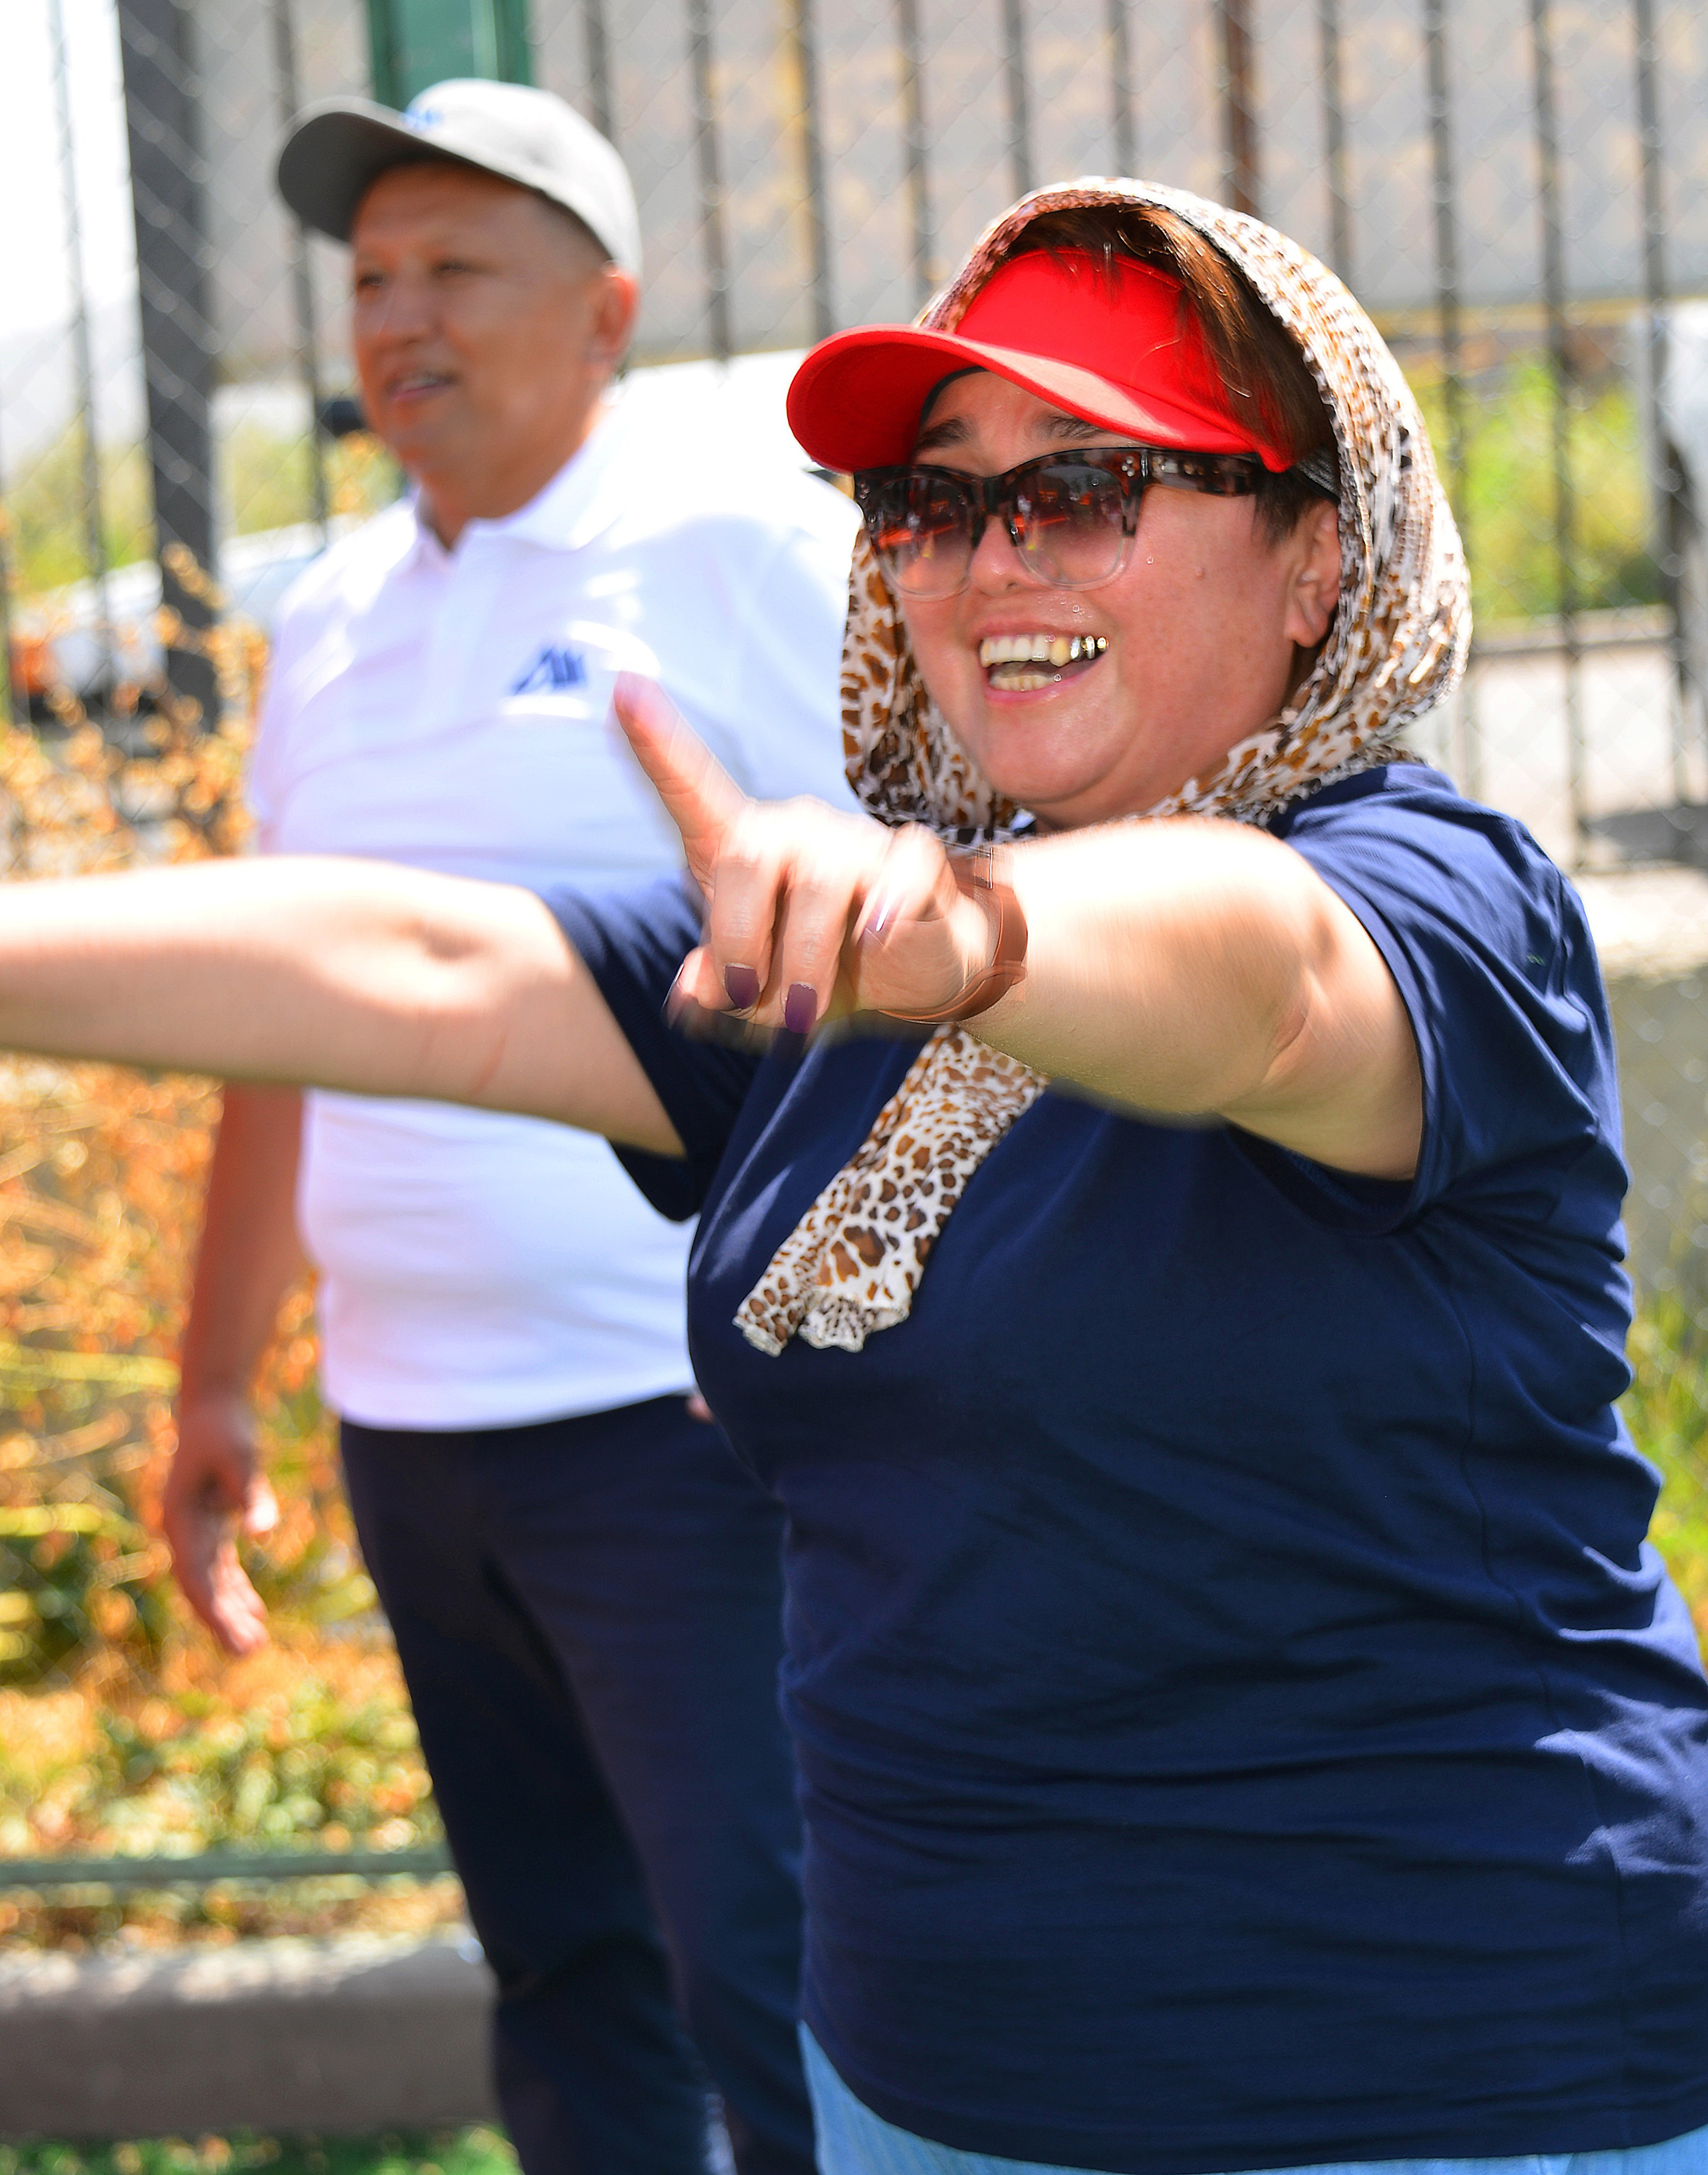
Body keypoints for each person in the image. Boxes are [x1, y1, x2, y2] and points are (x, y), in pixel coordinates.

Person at [3, 179, 1708, 2175]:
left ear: (1318, 558)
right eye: (935, 499)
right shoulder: (858, 960)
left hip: (1418, 2082)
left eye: (1090, 482)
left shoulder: (1426, 903)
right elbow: (433, 971)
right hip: (925, 2086)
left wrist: (965, 938)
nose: (994, 558)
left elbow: (1255, 983)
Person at [165, 77, 856, 2175]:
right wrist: (219, 1380)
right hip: (415, 1435)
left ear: (610, 309)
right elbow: (270, 1028)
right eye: (372, 274)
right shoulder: (330, 614)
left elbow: (931, 946)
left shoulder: (748, 554)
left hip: (683, 1427)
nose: (401, 315)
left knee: (777, 1974)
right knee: (565, 1978)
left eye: (459, 264)